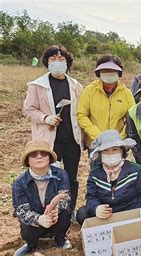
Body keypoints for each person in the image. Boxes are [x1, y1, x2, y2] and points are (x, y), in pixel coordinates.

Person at [23, 45, 83, 215]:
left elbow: (81, 111)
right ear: (47, 63)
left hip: (71, 140)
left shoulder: (75, 85)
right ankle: (47, 209)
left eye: (61, 59)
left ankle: (69, 209)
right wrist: (46, 118)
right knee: (47, 176)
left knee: (71, 176)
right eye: (53, 59)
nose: (57, 62)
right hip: (49, 141)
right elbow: (28, 110)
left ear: (67, 62)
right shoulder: (37, 85)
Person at [75, 130, 141, 225]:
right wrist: (96, 208)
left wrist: (139, 214)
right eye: (106, 151)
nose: (110, 154)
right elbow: (91, 197)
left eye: (114, 150)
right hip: (107, 215)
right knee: (82, 214)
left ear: (122, 151)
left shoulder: (135, 170)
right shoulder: (95, 174)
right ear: (100, 154)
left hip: (130, 212)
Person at [12, 140, 72, 256]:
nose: (39, 156)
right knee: (26, 225)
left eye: (43, 153)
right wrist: (38, 219)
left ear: (49, 157)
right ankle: (31, 244)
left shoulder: (61, 174)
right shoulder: (19, 183)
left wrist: (56, 209)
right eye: (33, 154)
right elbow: (21, 211)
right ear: (27, 160)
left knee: (66, 212)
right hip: (35, 223)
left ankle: (60, 238)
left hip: (54, 218)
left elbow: (65, 197)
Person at [77, 54, 135, 150]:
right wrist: (97, 135)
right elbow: (81, 115)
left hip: (117, 143)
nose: (109, 73)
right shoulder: (89, 90)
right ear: (99, 72)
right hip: (95, 142)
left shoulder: (126, 93)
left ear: (119, 72)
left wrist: (120, 137)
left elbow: (132, 119)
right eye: (105, 71)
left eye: (112, 70)